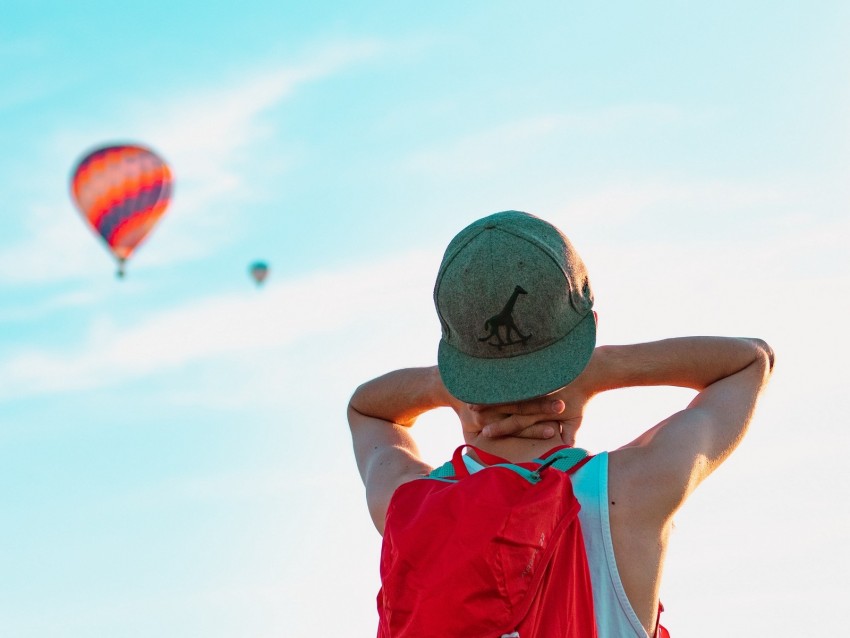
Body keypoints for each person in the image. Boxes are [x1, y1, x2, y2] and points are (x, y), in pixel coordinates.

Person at [348, 210, 774, 637]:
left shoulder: (403, 504)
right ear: (586, 337)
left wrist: (448, 390)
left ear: (458, 364)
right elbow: (750, 362)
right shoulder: (635, 488)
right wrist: (603, 367)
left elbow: (366, 409)